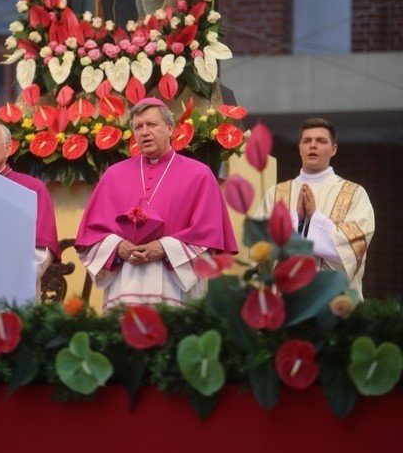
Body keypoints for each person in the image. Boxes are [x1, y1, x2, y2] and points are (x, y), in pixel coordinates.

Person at [75, 98, 238, 311]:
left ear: (170, 129)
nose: (144, 132)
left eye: (151, 125)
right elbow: (90, 235)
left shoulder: (199, 175)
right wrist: (118, 247)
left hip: (175, 286)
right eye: (138, 127)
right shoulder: (113, 176)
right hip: (124, 284)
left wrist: (164, 247)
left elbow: (208, 237)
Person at [256, 117, 375, 300]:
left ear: (333, 149)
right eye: (307, 141)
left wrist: (314, 219)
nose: (313, 145)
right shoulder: (276, 193)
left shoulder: (354, 194)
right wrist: (297, 218)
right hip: (283, 304)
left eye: (321, 141)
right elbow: (258, 246)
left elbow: (355, 247)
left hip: (335, 303)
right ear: (299, 148)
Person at [0, 120, 59, 302]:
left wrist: (16, 274)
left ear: (8, 149)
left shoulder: (32, 188)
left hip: (13, 282)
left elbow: (43, 246)